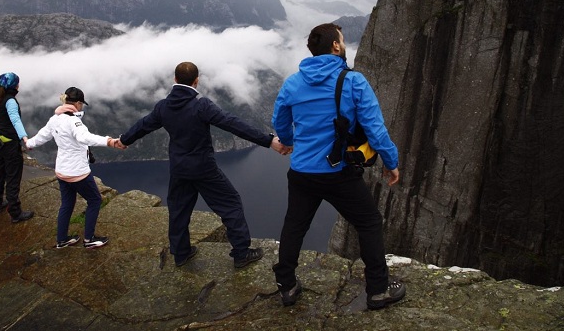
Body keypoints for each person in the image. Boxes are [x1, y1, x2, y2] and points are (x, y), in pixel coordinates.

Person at [271, 23, 406, 310]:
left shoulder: (293, 83)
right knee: (368, 223)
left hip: (302, 172)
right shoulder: (354, 82)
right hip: (338, 173)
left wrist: (291, 141)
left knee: (294, 225)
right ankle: (378, 290)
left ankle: (286, 286)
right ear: (335, 46)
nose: (344, 44)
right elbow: (376, 131)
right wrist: (391, 163)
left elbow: (281, 122)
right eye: (342, 40)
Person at [118, 61, 289, 268]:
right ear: (196, 81)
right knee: (230, 204)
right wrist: (268, 140)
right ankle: (241, 253)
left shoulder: (164, 106)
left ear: (175, 80)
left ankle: (181, 253)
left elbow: (143, 125)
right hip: (203, 168)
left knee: (179, 210)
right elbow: (233, 124)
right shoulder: (201, 105)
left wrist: (124, 140)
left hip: (179, 168)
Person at [26, 87, 120, 249]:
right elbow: (85, 137)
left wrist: (29, 143)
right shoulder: (74, 121)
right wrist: (109, 141)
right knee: (95, 200)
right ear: (77, 103)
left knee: (67, 204)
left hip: (62, 171)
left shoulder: (55, 119)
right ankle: (89, 239)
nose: (82, 106)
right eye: (81, 104)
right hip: (78, 173)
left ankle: (62, 239)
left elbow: (42, 136)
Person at [0, 73, 34, 223]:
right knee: (13, 176)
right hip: (10, 144)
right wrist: (24, 137)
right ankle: (15, 213)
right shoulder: (10, 101)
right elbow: (15, 119)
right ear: (15, 86)